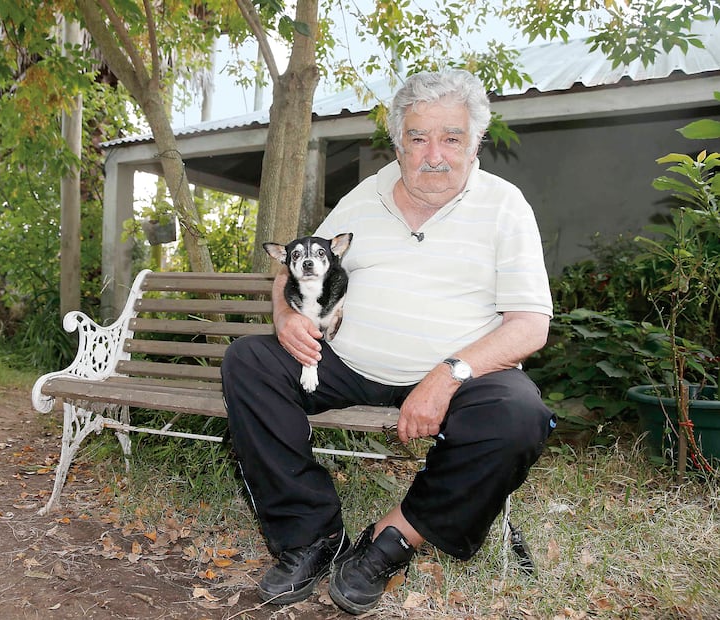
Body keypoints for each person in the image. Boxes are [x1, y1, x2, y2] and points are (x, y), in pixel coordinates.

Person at [220, 68, 556, 615]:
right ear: (398, 145)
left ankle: (392, 540)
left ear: (475, 145)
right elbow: (292, 274)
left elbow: (529, 326)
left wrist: (447, 375)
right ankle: (310, 535)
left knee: (519, 414)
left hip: (458, 371)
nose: (434, 154)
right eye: (418, 138)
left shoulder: (505, 206)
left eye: (452, 139)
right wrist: (285, 317)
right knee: (250, 361)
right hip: (347, 361)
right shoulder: (362, 198)